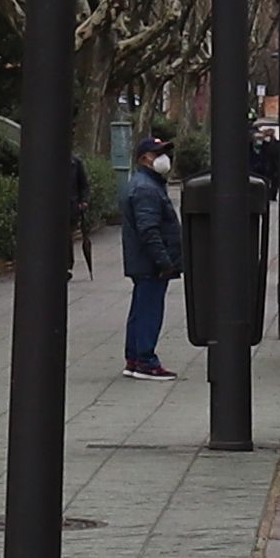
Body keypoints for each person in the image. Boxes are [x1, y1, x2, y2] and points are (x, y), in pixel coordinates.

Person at [117, 131, 189, 378]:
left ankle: (136, 359)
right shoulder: (147, 189)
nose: (164, 158)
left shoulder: (145, 184)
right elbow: (149, 230)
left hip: (144, 262)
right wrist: (164, 261)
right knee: (149, 310)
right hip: (151, 263)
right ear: (144, 159)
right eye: (157, 154)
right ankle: (146, 360)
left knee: (141, 308)